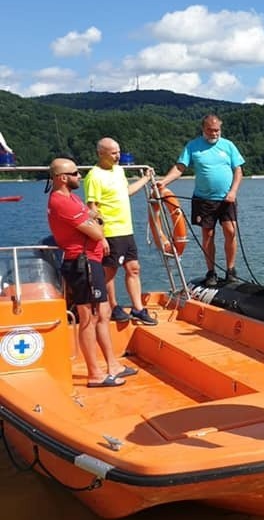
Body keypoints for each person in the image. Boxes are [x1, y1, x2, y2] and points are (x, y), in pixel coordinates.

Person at [47, 158, 137, 388]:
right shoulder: (62, 202)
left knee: (102, 313)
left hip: (91, 261)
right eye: (76, 173)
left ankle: (112, 364)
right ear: (62, 177)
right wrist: (97, 227)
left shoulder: (72, 198)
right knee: (88, 317)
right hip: (81, 263)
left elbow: (93, 217)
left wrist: (95, 223)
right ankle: (95, 374)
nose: (80, 177)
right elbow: (95, 229)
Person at [157, 114, 245, 287]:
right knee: (208, 234)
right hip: (203, 199)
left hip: (227, 198)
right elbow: (180, 167)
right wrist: (164, 181)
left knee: (230, 231)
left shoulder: (228, 145)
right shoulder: (193, 146)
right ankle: (211, 272)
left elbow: (238, 170)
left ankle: (231, 270)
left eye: (217, 130)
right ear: (203, 129)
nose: (214, 133)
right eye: (210, 130)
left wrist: (233, 191)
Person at [84, 137, 156, 325]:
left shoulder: (119, 171)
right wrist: (101, 237)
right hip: (110, 231)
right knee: (110, 272)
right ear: (101, 153)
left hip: (126, 229)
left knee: (133, 268)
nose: (118, 156)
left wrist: (146, 179)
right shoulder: (94, 176)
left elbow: (127, 192)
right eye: (113, 153)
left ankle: (138, 308)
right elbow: (92, 208)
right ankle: (113, 306)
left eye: (118, 152)